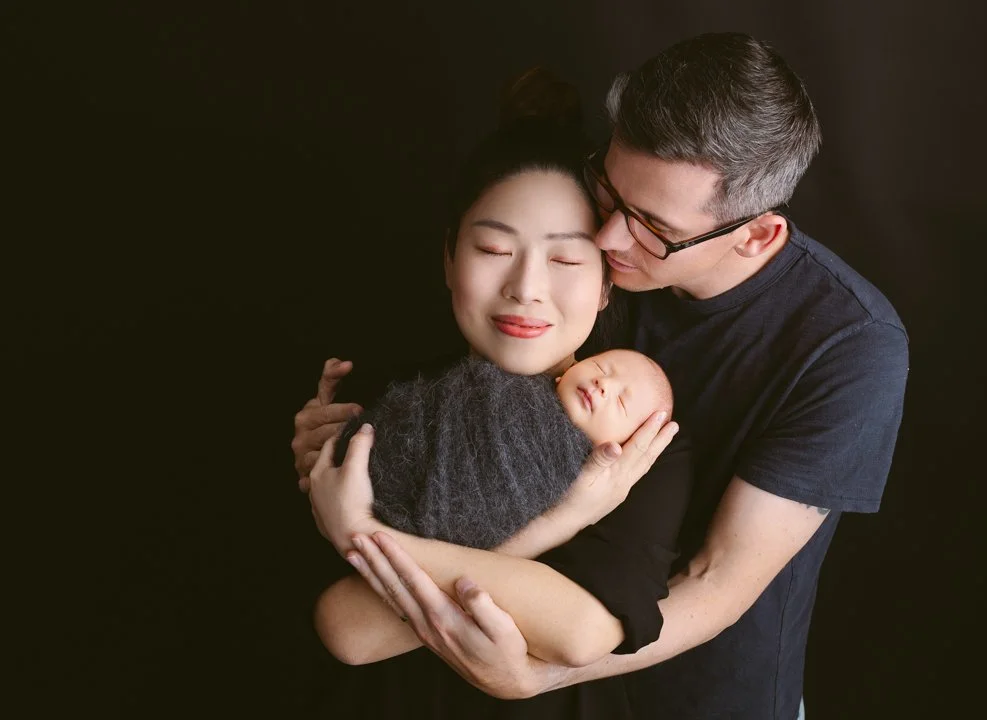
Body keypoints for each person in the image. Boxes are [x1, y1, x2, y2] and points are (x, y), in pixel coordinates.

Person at [296, 32, 910, 719]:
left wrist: (535, 675)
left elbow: (718, 580)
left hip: (693, 690)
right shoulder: (576, 261)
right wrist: (350, 448)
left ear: (756, 235)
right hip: (499, 637)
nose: (609, 239)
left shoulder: (849, 344)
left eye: (651, 226)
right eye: (609, 191)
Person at [298, 67, 693, 718]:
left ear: (605, 285)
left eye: (566, 260)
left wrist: (362, 534)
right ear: (449, 257)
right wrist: (563, 520)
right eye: (491, 249)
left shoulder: (633, 432)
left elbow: (581, 633)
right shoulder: (383, 397)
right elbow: (351, 630)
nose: (526, 287)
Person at [329, 348, 674, 550]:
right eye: (602, 368)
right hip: (361, 451)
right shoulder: (514, 373)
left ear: (622, 447)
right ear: (563, 373)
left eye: (621, 402)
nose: (603, 384)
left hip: (402, 521)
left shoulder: (566, 471)